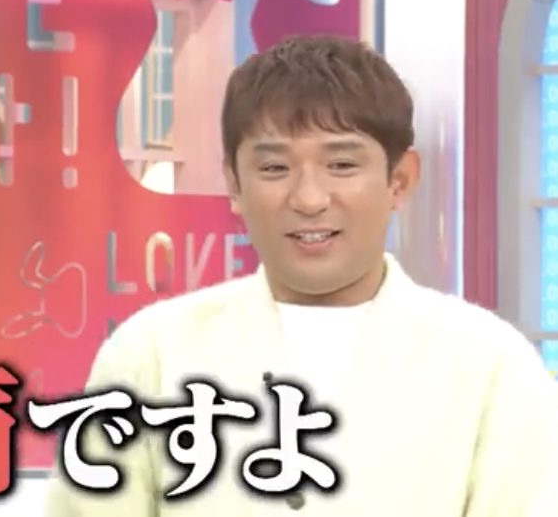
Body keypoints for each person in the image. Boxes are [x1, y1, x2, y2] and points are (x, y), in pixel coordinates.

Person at [42, 36, 558, 516]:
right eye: (274, 168)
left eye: (342, 165)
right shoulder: (149, 355)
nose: (309, 199)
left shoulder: (492, 367)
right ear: (234, 184)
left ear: (400, 180)